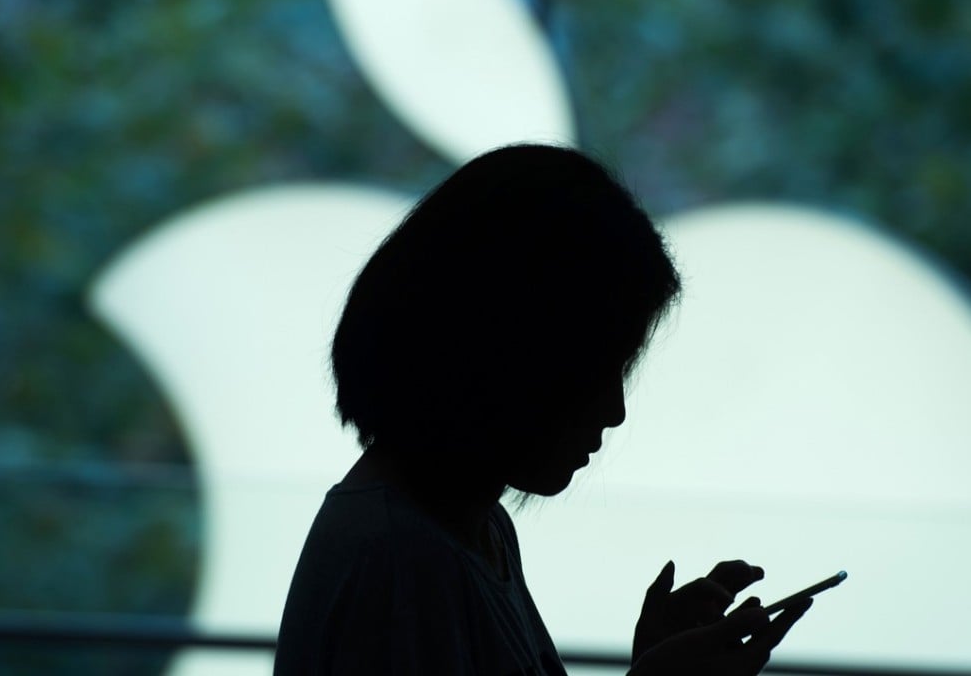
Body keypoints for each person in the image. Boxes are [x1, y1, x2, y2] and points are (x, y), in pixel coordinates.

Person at [273, 144, 813, 675]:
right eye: (595, 368)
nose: (614, 411)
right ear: (510, 351)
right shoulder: (403, 561)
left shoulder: (473, 531)